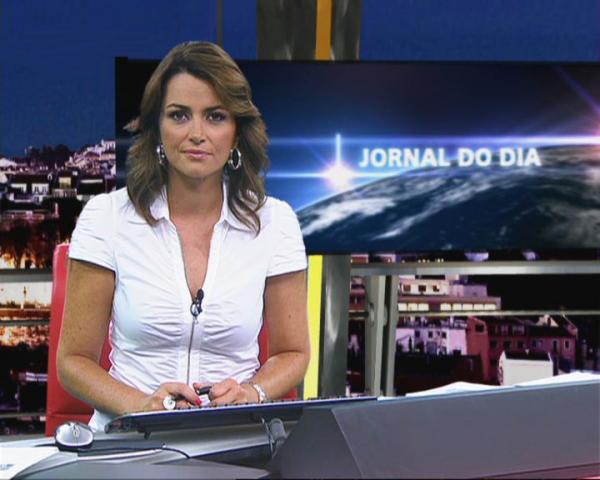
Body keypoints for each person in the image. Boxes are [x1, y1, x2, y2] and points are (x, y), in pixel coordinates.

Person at [57, 41, 310, 431]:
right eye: (179, 115)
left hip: (232, 437)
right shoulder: (106, 218)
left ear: (236, 132)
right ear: (157, 128)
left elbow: (293, 352)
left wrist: (252, 393)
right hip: (128, 439)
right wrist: (140, 406)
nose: (197, 133)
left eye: (215, 116)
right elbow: (73, 361)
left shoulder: (275, 223)